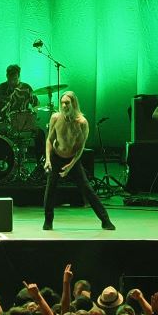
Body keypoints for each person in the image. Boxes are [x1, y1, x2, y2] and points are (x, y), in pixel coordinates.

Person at [42, 90, 114, 231]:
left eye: (67, 103)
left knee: (87, 189)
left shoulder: (82, 122)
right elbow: (49, 140)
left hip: (72, 159)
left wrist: (71, 165)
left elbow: (81, 148)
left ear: (73, 104)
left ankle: (105, 220)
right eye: (62, 103)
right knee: (50, 188)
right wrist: (48, 160)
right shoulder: (55, 117)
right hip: (56, 157)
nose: (64, 106)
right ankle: (48, 221)